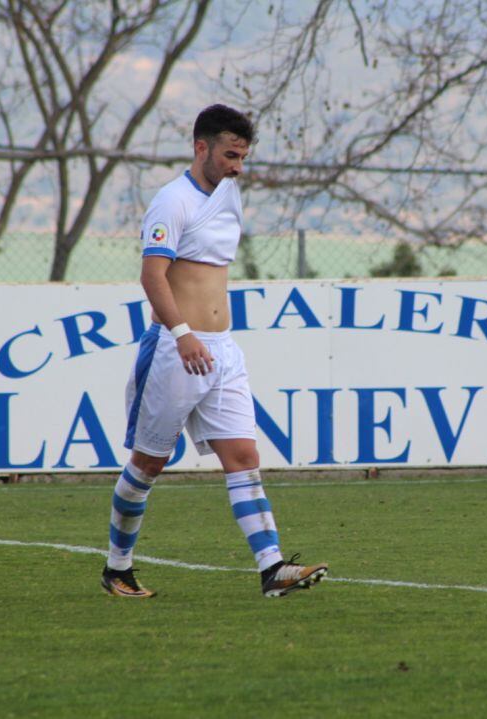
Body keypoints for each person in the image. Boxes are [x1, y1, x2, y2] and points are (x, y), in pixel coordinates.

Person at [101, 104, 327, 599]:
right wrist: (183, 333)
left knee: (244, 455)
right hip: (175, 349)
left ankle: (272, 569)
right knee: (147, 466)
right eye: (229, 154)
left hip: (221, 350)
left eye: (242, 157)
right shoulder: (171, 201)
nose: (237, 166)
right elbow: (152, 276)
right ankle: (117, 568)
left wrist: (205, 337)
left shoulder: (229, 193)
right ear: (200, 147)